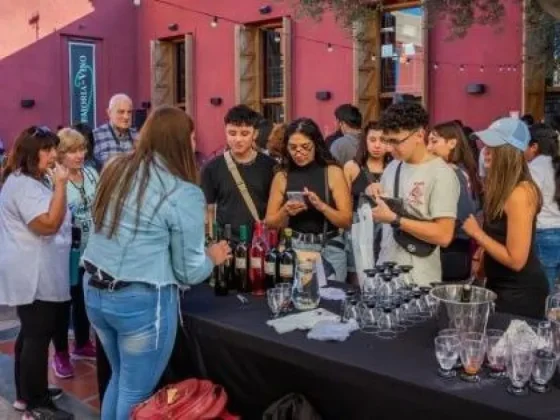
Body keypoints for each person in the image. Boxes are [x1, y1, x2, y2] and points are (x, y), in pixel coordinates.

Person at [83, 105, 230, 420]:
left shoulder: (115, 168)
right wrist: (213, 257)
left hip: (94, 288)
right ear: (179, 142)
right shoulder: (184, 192)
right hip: (140, 299)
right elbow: (188, 271)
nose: (194, 144)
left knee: (120, 379)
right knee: (135, 392)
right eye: (191, 137)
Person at [0, 126, 73, 419]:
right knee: (36, 337)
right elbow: (47, 224)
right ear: (31, 152)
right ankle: (38, 404)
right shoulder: (23, 185)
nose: (54, 154)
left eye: (54, 148)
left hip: (38, 269)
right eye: (47, 149)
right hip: (32, 273)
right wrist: (61, 186)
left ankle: (25, 393)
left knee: (31, 335)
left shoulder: (31, 180)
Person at [463, 118, 548, 318]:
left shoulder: (521, 192)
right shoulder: (501, 187)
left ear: (509, 152)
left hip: (519, 292)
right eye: (486, 146)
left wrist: (477, 234)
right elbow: (500, 234)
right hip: (499, 286)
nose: (486, 152)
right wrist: (482, 257)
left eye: (493, 147)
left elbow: (516, 260)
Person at [372, 102, 460, 286]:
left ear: (419, 135)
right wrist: (372, 192)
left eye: (396, 141)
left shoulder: (441, 174)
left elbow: (444, 235)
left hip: (419, 278)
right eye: (387, 140)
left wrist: (396, 219)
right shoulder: (393, 166)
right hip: (385, 270)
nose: (389, 148)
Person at [265, 118, 352, 282]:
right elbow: (270, 222)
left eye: (305, 147)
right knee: (296, 298)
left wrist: (321, 206)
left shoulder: (332, 172)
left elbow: (346, 221)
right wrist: (285, 211)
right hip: (295, 246)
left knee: (331, 300)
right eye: (293, 148)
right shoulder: (282, 176)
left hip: (328, 247)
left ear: (316, 145)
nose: (299, 153)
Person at [50, 128, 99, 379]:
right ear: (60, 154)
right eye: (71, 151)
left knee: (83, 298)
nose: (79, 155)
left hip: (91, 249)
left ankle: (81, 343)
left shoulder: (91, 174)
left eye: (81, 149)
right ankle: (60, 353)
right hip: (65, 252)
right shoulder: (53, 179)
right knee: (63, 302)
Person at [201, 105, 276, 241]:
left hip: (260, 243)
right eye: (232, 133)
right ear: (225, 131)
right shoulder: (212, 168)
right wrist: (212, 243)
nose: (238, 139)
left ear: (255, 134)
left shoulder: (271, 167)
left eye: (244, 133)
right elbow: (208, 211)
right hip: (226, 243)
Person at [428, 121, 482, 281]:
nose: (429, 147)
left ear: (452, 143)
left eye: (434, 141)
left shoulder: (452, 172)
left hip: (452, 252)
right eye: (428, 141)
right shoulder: (463, 170)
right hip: (457, 250)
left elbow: (464, 216)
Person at [343, 121, 389, 281]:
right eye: (373, 139)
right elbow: (344, 204)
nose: (378, 145)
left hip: (387, 231)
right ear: (365, 141)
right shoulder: (352, 167)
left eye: (383, 140)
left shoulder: (395, 167)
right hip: (358, 230)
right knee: (357, 278)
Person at [525, 123, 560, 291]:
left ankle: (548, 318)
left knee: (547, 289)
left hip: (544, 231)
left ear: (534, 146)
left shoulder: (535, 168)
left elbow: (531, 201)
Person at [92, 93, 137, 170]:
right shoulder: (95, 136)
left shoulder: (138, 136)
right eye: (121, 112)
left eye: (129, 112)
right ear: (109, 113)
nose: (126, 117)